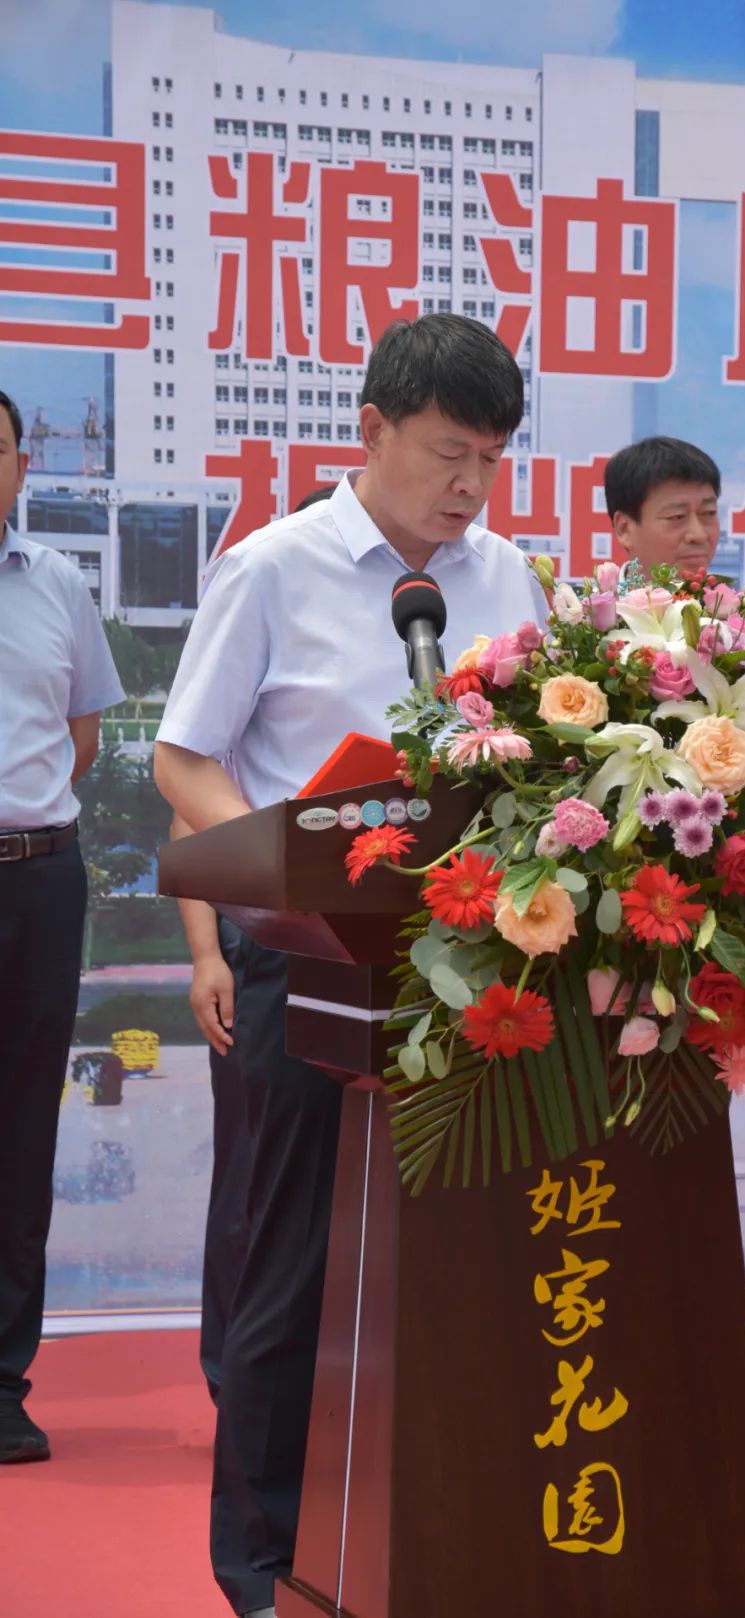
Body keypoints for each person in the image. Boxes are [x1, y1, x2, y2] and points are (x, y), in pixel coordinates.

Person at [154, 314, 548, 1618]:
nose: (469, 486)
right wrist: (288, 869)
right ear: (371, 430)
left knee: (462, 1266)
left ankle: (440, 1531)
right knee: (292, 1269)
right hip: (310, 964)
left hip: (473, 970)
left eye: (490, 459)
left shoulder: (507, 577)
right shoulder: (274, 568)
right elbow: (184, 757)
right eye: (447, 452)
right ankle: (263, 1562)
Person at [175, 485, 336, 1409]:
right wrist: (209, 957)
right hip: (261, 946)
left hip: (360, 950)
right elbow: (189, 817)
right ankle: (231, 1373)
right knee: (252, 1177)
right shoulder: (252, 644)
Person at [0, 388, 125, 1463]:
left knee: (19, 1129)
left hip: (36, 878)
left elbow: (79, 737)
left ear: (20, 464)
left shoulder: (56, 584)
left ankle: (2, 1381)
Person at [603, 434, 720, 579]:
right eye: (677, 516)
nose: (699, 535)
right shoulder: (594, 594)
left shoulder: (730, 594)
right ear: (624, 529)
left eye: (709, 513)